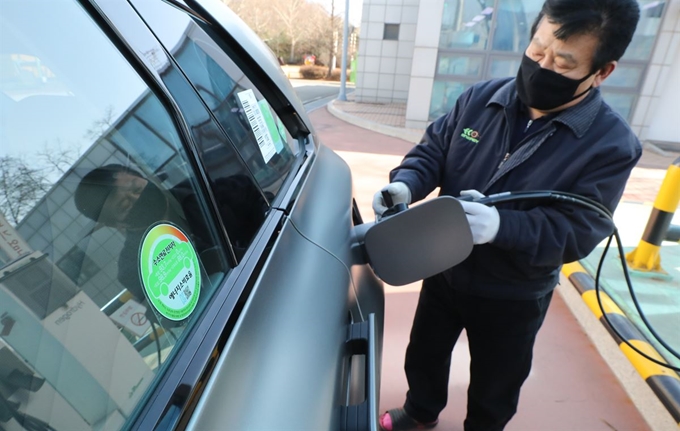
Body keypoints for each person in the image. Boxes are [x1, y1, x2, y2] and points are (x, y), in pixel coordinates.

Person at [372, 0, 642, 430]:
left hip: (514, 292)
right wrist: (405, 182)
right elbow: (433, 152)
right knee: (424, 351)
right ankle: (421, 409)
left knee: (497, 380)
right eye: (537, 51)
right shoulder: (481, 100)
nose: (542, 67)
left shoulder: (610, 145)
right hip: (443, 266)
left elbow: (580, 229)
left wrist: (502, 227)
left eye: (563, 63)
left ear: (602, 71)